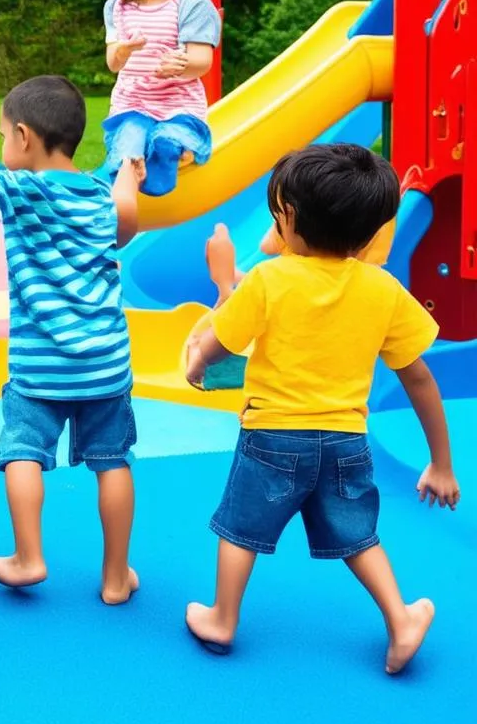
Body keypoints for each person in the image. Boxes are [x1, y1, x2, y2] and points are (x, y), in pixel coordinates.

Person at [185, 143, 461, 673]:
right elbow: (420, 378)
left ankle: (222, 617)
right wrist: (441, 462)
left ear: (290, 221)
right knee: (358, 535)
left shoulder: (269, 279)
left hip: (273, 435)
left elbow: (220, 339)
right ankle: (401, 619)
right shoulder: (383, 290)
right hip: (344, 441)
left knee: (240, 529)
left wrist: (198, 362)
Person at [0, 75, 147, 604]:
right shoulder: (101, 195)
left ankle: (29, 557)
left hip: (39, 366)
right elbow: (124, 228)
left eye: (6, 134)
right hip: (105, 363)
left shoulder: (6, 186)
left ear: (24, 137)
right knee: (113, 462)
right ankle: (116, 576)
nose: (4, 144)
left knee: (24, 453)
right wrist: (128, 182)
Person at [102, 0, 222, 195]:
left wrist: (181, 64)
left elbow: (203, 60)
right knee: (128, 140)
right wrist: (124, 50)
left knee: (169, 135)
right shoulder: (117, 7)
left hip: (177, 107)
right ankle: (128, 170)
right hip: (132, 105)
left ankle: (165, 153)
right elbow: (113, 63)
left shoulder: (191, 4)